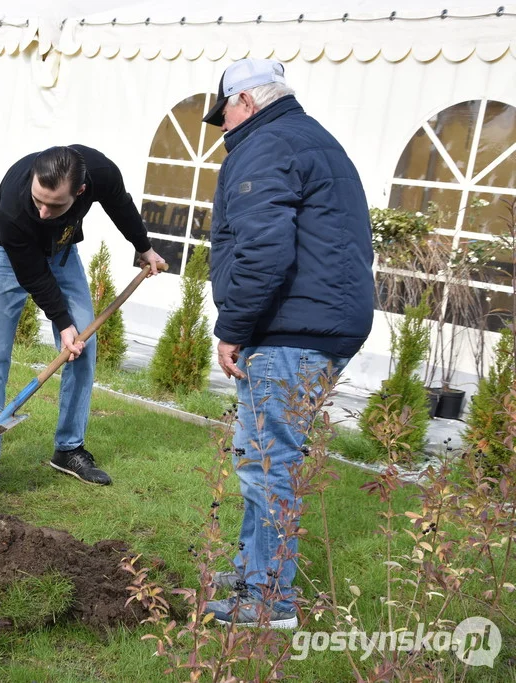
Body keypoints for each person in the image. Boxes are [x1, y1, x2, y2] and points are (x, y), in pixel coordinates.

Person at [201, 58, 374, 628]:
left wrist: (233, 329)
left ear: (246, 101)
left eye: (223, 113)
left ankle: (270, 600)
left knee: (267, 465)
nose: (221, 127)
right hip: (319, 324)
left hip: (292, 331)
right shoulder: (313, 139)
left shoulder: (266, 145)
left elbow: (265, 250)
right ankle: (255, 569)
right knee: (262, 456)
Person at [0, 145, 166, 492]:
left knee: (85, 344)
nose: (42, 211)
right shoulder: (13, 201)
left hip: (62, 251)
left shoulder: (100, 172)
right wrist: (63, 322)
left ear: (81, 191)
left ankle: (69, 449)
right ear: (33, 179)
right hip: (10, 257)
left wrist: (143, 247)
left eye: (54, 205)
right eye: (39, 199)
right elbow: (33, 275)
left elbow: (120, 206)